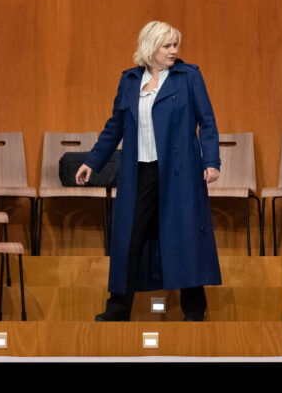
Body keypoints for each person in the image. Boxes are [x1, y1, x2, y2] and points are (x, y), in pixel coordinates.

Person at [77, 20, 222, 321]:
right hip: (139, 173)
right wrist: (92, 162)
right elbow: (114, 127)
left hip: (179, 174)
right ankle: (117, 309)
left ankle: (194, 310)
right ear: (150, 48)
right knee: (129, 240)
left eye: (175, 45)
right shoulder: (130, 80)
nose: (174, 51)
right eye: (167, 46)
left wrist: (211, 161)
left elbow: (206, 122)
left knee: (183, 238)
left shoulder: (188, 77)